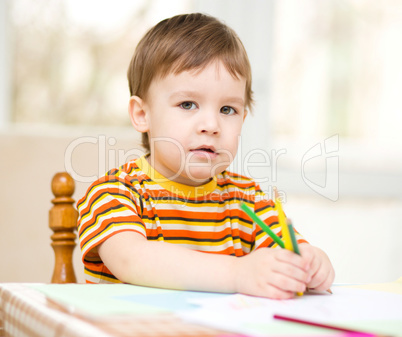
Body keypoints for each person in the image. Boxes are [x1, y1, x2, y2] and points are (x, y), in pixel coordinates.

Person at [77, 13, 335, 299]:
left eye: (228, 110)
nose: (211, 125)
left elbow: (287, 254)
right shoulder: (114, 193)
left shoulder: (249, 199)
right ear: (142, 114)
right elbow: (132, 261)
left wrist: (311, 263)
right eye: (188, 104)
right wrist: (238, 273)